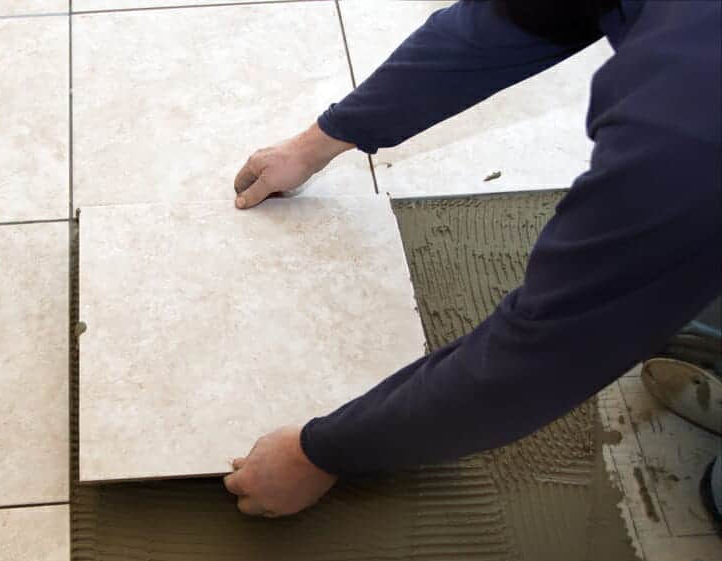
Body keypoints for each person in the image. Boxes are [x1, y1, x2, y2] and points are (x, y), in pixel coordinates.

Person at [222, 0, 721, 519]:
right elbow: (502, 26)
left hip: (697, 141)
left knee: (663, 265)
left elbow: (547, 354)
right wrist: (319, 141)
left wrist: (318, 452)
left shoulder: (686, 128)